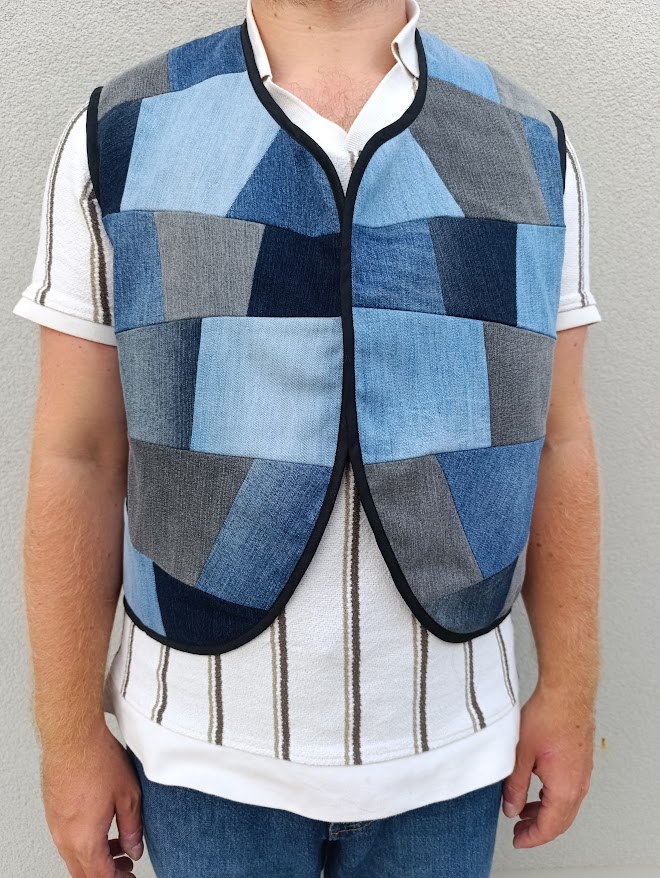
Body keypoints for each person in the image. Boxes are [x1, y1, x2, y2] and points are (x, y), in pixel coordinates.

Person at [13, 0, 603, 875]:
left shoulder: (530, 144)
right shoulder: (120, 132)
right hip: (198, 755)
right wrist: (68, 738)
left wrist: (570, 689)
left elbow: (558, 439)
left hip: (452, 751)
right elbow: (80, 454)